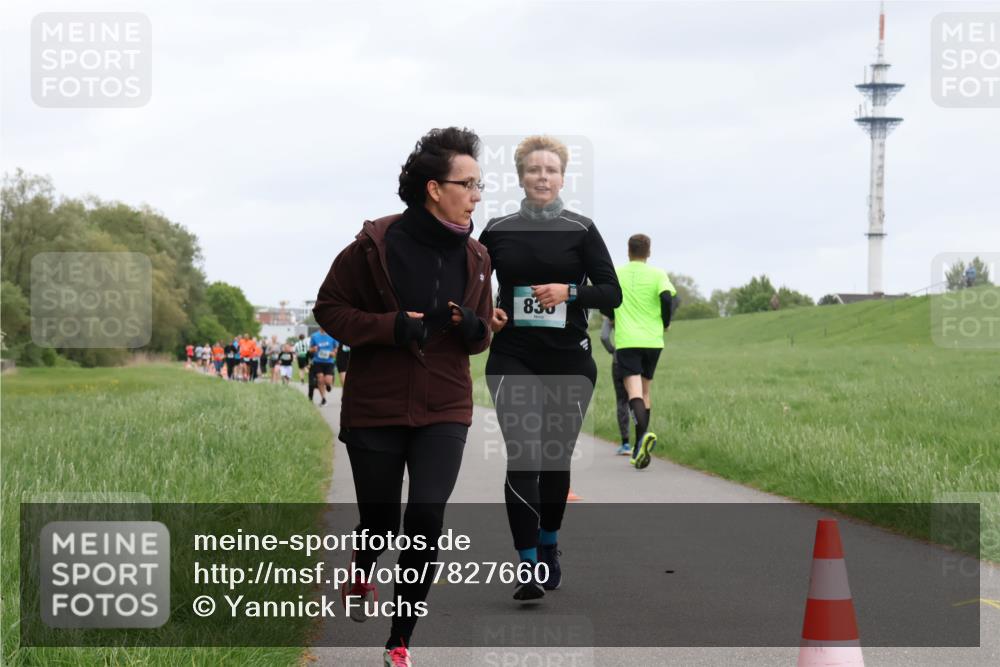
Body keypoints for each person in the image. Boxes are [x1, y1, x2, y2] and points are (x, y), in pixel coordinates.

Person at [313, 127, 493, 666]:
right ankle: (363, 569)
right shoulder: (374, 246)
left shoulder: (479, 257)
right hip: (377, 402)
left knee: (427, 513)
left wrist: (472, 327)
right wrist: (392, 327)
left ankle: (399, 640)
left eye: (479, 184)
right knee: (380, 518)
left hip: (445, 404)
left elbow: (482, 334)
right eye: (469, 184)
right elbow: (329, 309)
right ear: (435, 188)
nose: (477, 194)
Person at [480, 135, 621, 601]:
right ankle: (527, 566)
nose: (543, 177)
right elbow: (475, 290)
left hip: (568, 359)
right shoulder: (497, 230)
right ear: (520, 175)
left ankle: (549, 545)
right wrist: (490, 315)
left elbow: (611, 292)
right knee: (524, 455)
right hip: (513, 357)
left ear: (563, 178)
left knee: (555, 459)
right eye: (534, 170)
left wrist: (569, 292)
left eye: (552, 170)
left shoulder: (581, 229)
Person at [605, 233, 676, 470]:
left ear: (628, 251)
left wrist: (614, 316)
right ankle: (639, 446)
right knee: (646, 392)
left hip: (627, 341)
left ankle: (640, 441)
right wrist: (666, 321)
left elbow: (606, 300)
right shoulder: (658, 274)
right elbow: (667, 297)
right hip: (653, 341)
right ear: (649, 252)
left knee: (633, 393)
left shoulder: (618, 273)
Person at [599, 316, 632, 456]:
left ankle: (625, 444)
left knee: (622, 401)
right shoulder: (637, 306)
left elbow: (604, 336)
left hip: (619, 359)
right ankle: (643, 438)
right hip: (639, 356)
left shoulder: (613, 309)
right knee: (639, 397)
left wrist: (612, 350)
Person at [308, 328, 338, 406]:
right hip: (318, 361)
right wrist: (313, 349)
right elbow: (310, 349)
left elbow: (336, 348)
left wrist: (334, 352)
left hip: (329, 362)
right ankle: (323, 399)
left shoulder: (332, 334)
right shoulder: (314, 336)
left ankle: (328, 385)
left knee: (327, 381)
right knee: (320, 380)